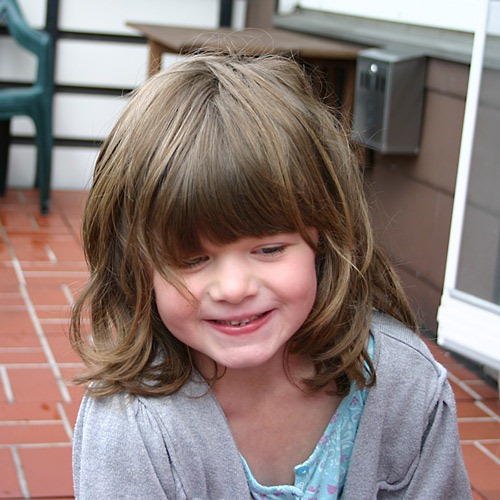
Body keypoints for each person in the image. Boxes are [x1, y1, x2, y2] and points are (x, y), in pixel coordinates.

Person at [70, 52, 471, 499]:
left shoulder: (404, 383)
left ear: (325, 235)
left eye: (269, 249)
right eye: (192, 259)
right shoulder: (131, 426)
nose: (234, 288)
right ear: (137, 265)